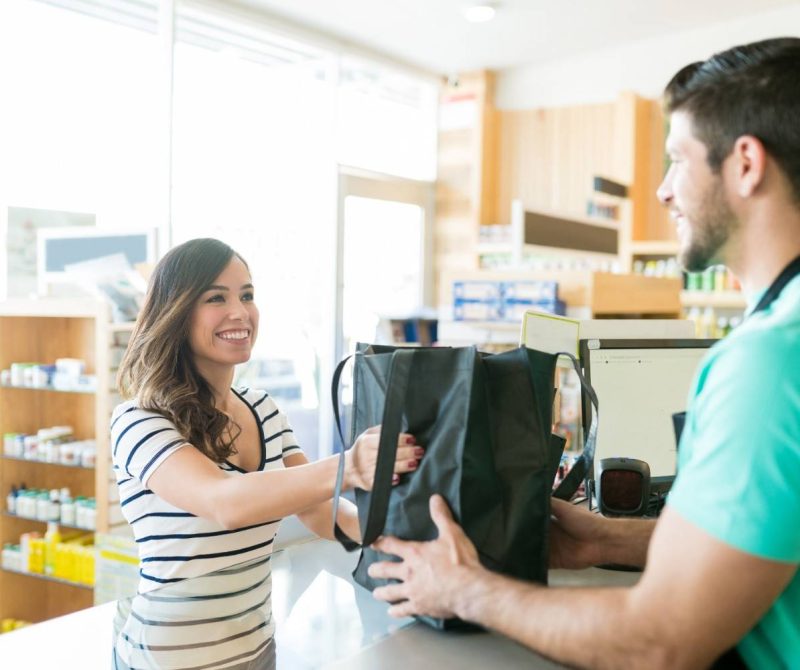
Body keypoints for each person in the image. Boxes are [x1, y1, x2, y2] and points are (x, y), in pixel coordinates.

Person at [369, 37, 800, 669]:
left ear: (744, 164)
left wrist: (468, 589)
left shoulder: (767, 362)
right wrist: (605, 536)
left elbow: (658, 641)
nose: (661, 192)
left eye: (677, 160)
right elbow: (763, 542)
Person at [111, 237, 423, 592]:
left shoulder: (262, 408)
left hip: (256, 636)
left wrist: (405, 540)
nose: (241, 312)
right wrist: (349, 467)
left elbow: (320, 511)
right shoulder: (139, 420)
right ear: (177, 314)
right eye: (216, 298)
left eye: (246, 296)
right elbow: (224, 502)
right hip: (172, 640)